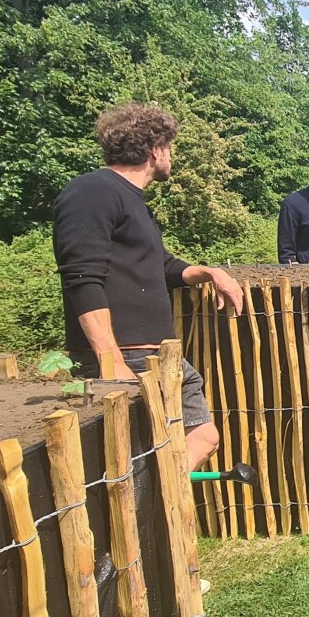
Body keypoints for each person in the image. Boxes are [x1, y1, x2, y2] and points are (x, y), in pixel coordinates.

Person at [53, 102, 245, 470]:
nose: (171, 157)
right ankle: (142, 518)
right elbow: (81, 277)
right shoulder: (92, 191)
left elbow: (162, 266)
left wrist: (208, 272)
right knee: (134, 459)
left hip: (156, 355)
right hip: (125, 356)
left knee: (200, 438)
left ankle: (153, 512)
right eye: (170, 148)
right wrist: (109, 361)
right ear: (155, 150)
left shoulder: (132, 201)